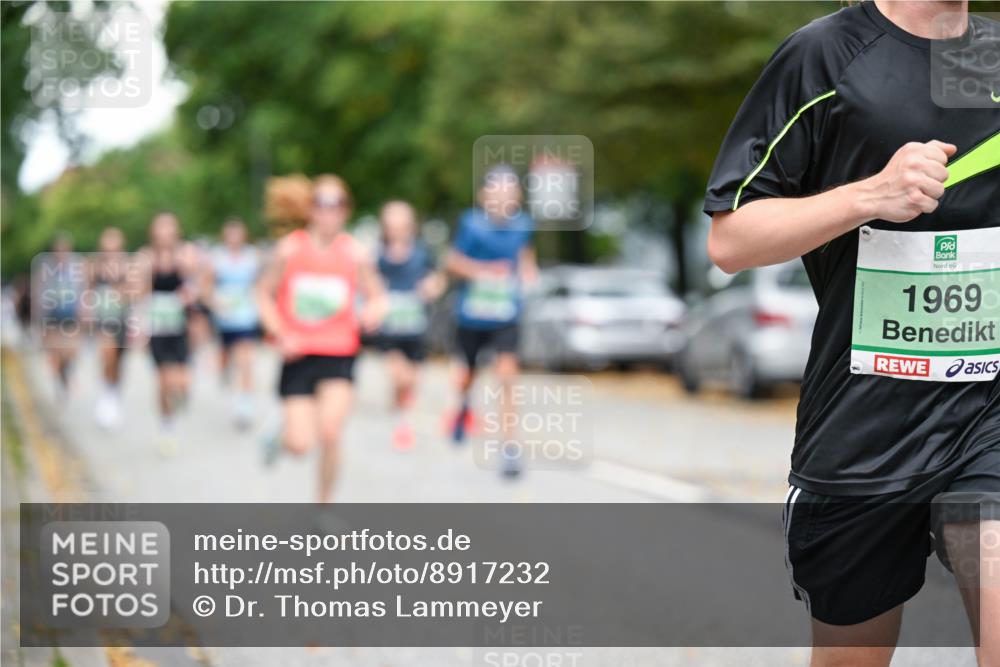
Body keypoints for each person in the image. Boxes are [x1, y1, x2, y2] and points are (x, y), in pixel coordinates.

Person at [704, 2, 998, 665]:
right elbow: (729, 239)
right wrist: (872, 195)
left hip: (987, 409)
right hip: (866, 424)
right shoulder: (827, 56)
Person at [257, 174, 387, 503]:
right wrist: (280, 333)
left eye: (337, 204)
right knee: (301, 444)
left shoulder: (356, 254)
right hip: (297, 355)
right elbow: (262, 294)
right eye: (322, 203)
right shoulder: (290, 249)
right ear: (311, 209)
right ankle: (279, 437)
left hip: (339, 354)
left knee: (330, 432)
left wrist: (374, 311)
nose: (329, 211)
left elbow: (378, 296)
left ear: (346, 210)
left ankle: (323, 505)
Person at [446, 165, 537, 478]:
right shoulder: (470, 224)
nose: (504, 197)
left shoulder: (524, 225)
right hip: (472, 315)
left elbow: (524, 256)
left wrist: (528, 275)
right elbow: (453, 262)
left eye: (511, 191)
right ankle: (463, 407)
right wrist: (483, 272)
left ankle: (510, 446)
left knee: (508, 376)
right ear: (484, 195)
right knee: (468, 375)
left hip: (504, 316)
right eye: (498, 191)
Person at [375, 200, 445, 451]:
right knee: (399, 375)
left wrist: (431, 288)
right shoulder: (377, 256)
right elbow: (368, 282)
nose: (396, 229)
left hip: (416, 327)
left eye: (401, 225)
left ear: (410, 226)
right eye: (391, 225)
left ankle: (403, 420)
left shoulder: (422, 253)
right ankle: (400, 419)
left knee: (412, 381)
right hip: (389, 328)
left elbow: (437, 279)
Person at [139, 213, 197, 454]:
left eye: (169, 229)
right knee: (165, 379)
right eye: (160, 229)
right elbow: (139, 294)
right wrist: (140, 326)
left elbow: (196, 283)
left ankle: (176, 404)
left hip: (180, 328)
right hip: (157, 328)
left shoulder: (186, 253)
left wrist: (189, 293)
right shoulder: (145, 257)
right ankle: (166, 427)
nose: (164, 234)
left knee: (182, 383)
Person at [203, 217, 261, 430]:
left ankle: (244, 404)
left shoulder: (252, 257)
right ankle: (225, 371)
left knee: (246, 360)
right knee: (228, 358)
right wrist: (215, 304)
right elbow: (206, 287)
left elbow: (259, 285)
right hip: (225, 319)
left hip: (246, 317)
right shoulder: (217, 258)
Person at [87, 227, 134, 430]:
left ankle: (113, 394)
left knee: (119, 362)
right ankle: (106, 396)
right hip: (103, 319)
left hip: (122, 319)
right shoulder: (94, 267)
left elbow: (135, 292)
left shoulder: (128, 267)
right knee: (108, 355)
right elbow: (87, 292)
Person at [34, 233, 84, 401]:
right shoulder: (45, 267)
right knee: (55, 353)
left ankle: (67, 372)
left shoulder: (78, 266)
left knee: (70, 352)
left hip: (71, 315)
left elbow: (84, 292)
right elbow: (39, 294)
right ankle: (60, 382)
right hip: (52, 317)